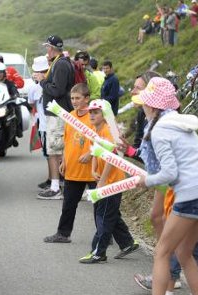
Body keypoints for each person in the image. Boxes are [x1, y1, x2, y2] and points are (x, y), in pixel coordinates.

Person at [129, 77, 198, 295]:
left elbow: (169, 173)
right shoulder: (180, 124)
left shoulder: (160, 130)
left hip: (189, 195)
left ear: (154, 107)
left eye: (145, 103)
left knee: (162, 253)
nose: (143, 107)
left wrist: (146, 180)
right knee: (184, 252)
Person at [78, 99, 138, 263]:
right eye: (90, 112)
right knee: (110, 214)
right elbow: (95, 152)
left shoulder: (109, 131)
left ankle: (98, 252)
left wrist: (103, 181)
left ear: (104, 115)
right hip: (104, 179)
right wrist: (93, 170)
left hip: (113, 182)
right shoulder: (94, 129)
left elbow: (111, 158)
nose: (91, 115)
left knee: (103, 216)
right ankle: (127, 243)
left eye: (96, 112)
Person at [43, 83, 96, 243]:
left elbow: (102, 140)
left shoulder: (94, 116)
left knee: (101, 205)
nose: (74, 101)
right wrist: (64, 161)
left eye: (78, 98)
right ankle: (63, 233)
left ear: (87, 98)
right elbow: (67, 141)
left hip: (93, 169)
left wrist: (90, 153)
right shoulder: (70, 115)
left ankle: (107, 235)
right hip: (73, 169)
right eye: (72, 98)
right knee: (68, 204)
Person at [34, 35, 75, 200]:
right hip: (59, 113)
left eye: (47, 48)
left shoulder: (60, 64)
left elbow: (57, 90)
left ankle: (56, 187)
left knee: (55, 151)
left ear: (51, 48)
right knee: (58, 151)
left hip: (58, 113)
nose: (46, 51)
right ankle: (62, 186)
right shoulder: (61, 62)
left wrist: (43, 81)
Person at [29, 56, 51, 189]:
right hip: (53, 124)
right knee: (54, 154)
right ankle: (53, 179)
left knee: (49, 155)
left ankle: (53, 180)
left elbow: (31, 103)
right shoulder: (53, 84)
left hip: (44, 125)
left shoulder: (35, 88)